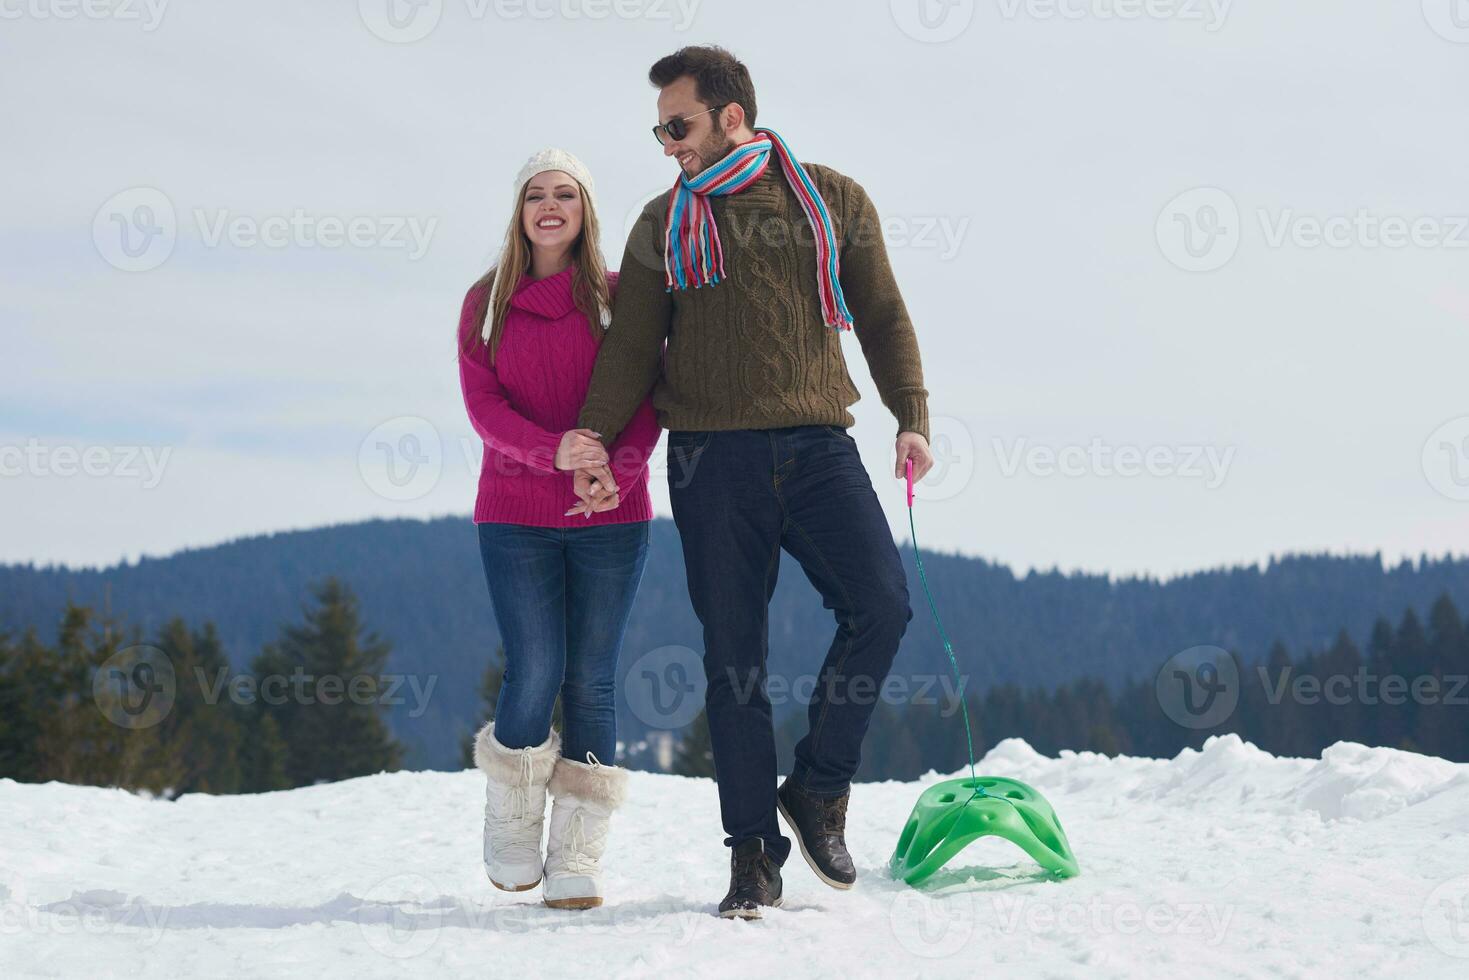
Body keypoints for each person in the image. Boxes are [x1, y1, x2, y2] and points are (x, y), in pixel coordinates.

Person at [573, 46, 936, 919]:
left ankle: (816, 787)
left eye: (678, 124)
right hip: (709, 458)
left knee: (882, 603)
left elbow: (881, 311)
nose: (667, 143)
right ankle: (751, 855)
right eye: (660, 127)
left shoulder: (830, 199)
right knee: (734, 657)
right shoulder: (662, 222)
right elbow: (631, 346)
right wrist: (591, 434)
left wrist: (911, 413)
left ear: (730, 115)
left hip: (818, 444)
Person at [456, 147, 662, 910]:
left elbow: (646, 397)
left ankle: (577, 850)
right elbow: (484, 408)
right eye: (535, 194)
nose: (550, 205)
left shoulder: (617, 299)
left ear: (584, 212)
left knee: (593, 678)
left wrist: (619, 470)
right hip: (514, 513)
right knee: (535, 666)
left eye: (564, 194)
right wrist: (556, 451)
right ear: (519, 212)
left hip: (613, 513)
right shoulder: (486, 302)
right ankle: (512, 817)